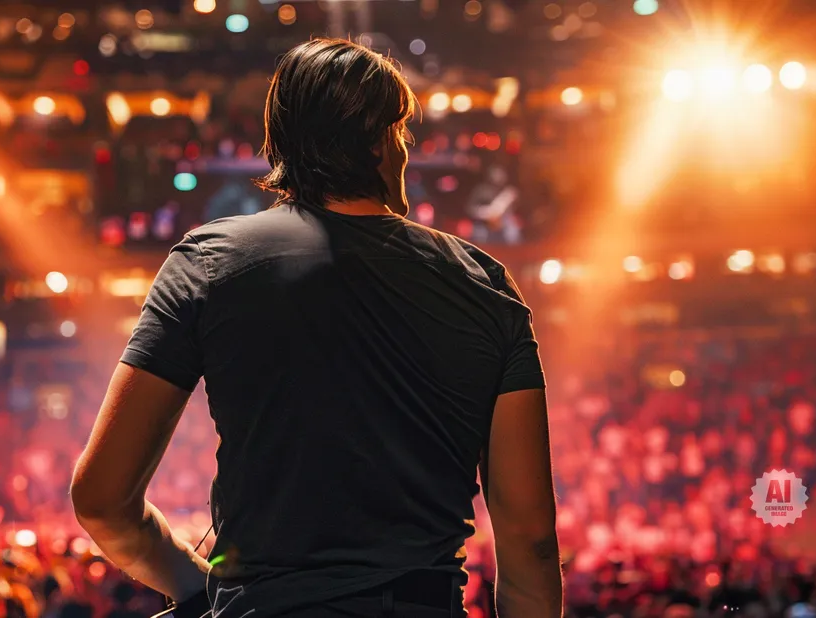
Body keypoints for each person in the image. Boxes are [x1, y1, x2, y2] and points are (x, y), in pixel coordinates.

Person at [70, 37, 561, 618]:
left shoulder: (209, 263)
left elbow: (102, 499)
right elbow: (530, 537)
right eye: (401, 134)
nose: (405, 152)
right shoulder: (486, 285)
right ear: (382, 141)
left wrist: (200, 587)